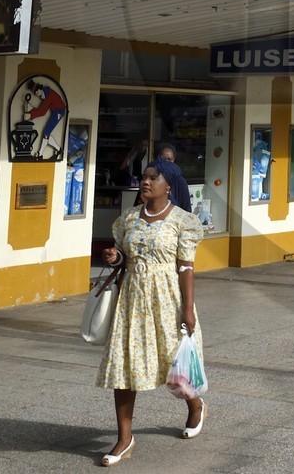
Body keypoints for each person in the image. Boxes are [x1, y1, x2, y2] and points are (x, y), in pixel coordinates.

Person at [97, 162, 206, 465]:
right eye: (143, 177)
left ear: (168, 185)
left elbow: (186, 267)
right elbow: (122, 254)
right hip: (132, 300)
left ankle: (195, 406)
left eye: (152, 178)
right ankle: (124, 438)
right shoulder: (129, 219)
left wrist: (187, 310)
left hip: (168, 300)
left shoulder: (183, 221)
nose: (145, 182)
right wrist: (115, 256)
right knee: (123, 365)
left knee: (177, 364)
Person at [156, 147, 193, 213]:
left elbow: (187, 209)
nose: (167, 162)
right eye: (164, 159)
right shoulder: (152, 180)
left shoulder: (181, 181)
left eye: (170, 159)